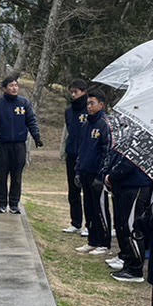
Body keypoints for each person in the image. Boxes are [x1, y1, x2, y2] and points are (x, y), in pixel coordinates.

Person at [0, 72, 44, 214]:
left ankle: (14, 203)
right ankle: (2, 203)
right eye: (11, 85)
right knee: (2, 174)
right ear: (4, 88)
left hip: (19, 145)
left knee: (17, 175)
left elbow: (31, 120)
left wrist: (37, 136)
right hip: (3, 144)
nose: (14, 88)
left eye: (16, 85)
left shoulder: (24, 103)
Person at [105, 135, 152, 283]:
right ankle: (127, 261)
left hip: (136, 186)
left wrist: (112, 177)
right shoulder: (130, 134)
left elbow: (129, 162)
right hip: (124, 186)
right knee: (123, 225)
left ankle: (135, 269)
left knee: (132, 227)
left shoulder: (142, 138)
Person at [75, 88, 113, 256]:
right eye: (87, 103)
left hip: (97, 175)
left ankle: (104, 243)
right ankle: (92, 240)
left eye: (92, 103)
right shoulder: (85, 124)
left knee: (100, 209)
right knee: (89, 208)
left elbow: (107, 152)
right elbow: (81, 150)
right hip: (85, 172)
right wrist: (77, 170)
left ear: (101, 105)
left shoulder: (104, 124)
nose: (89, 106)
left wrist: (101, 175)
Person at [62, 79, 90, 235]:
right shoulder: (69, 111)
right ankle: (76, 222)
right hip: (72, 153)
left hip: (86, 155)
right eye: (71, 92)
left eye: (76, 92)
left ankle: (89, 224)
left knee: (87, 190)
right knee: (73, 190)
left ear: (84, 91)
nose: (73, 95)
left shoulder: (89, 108)